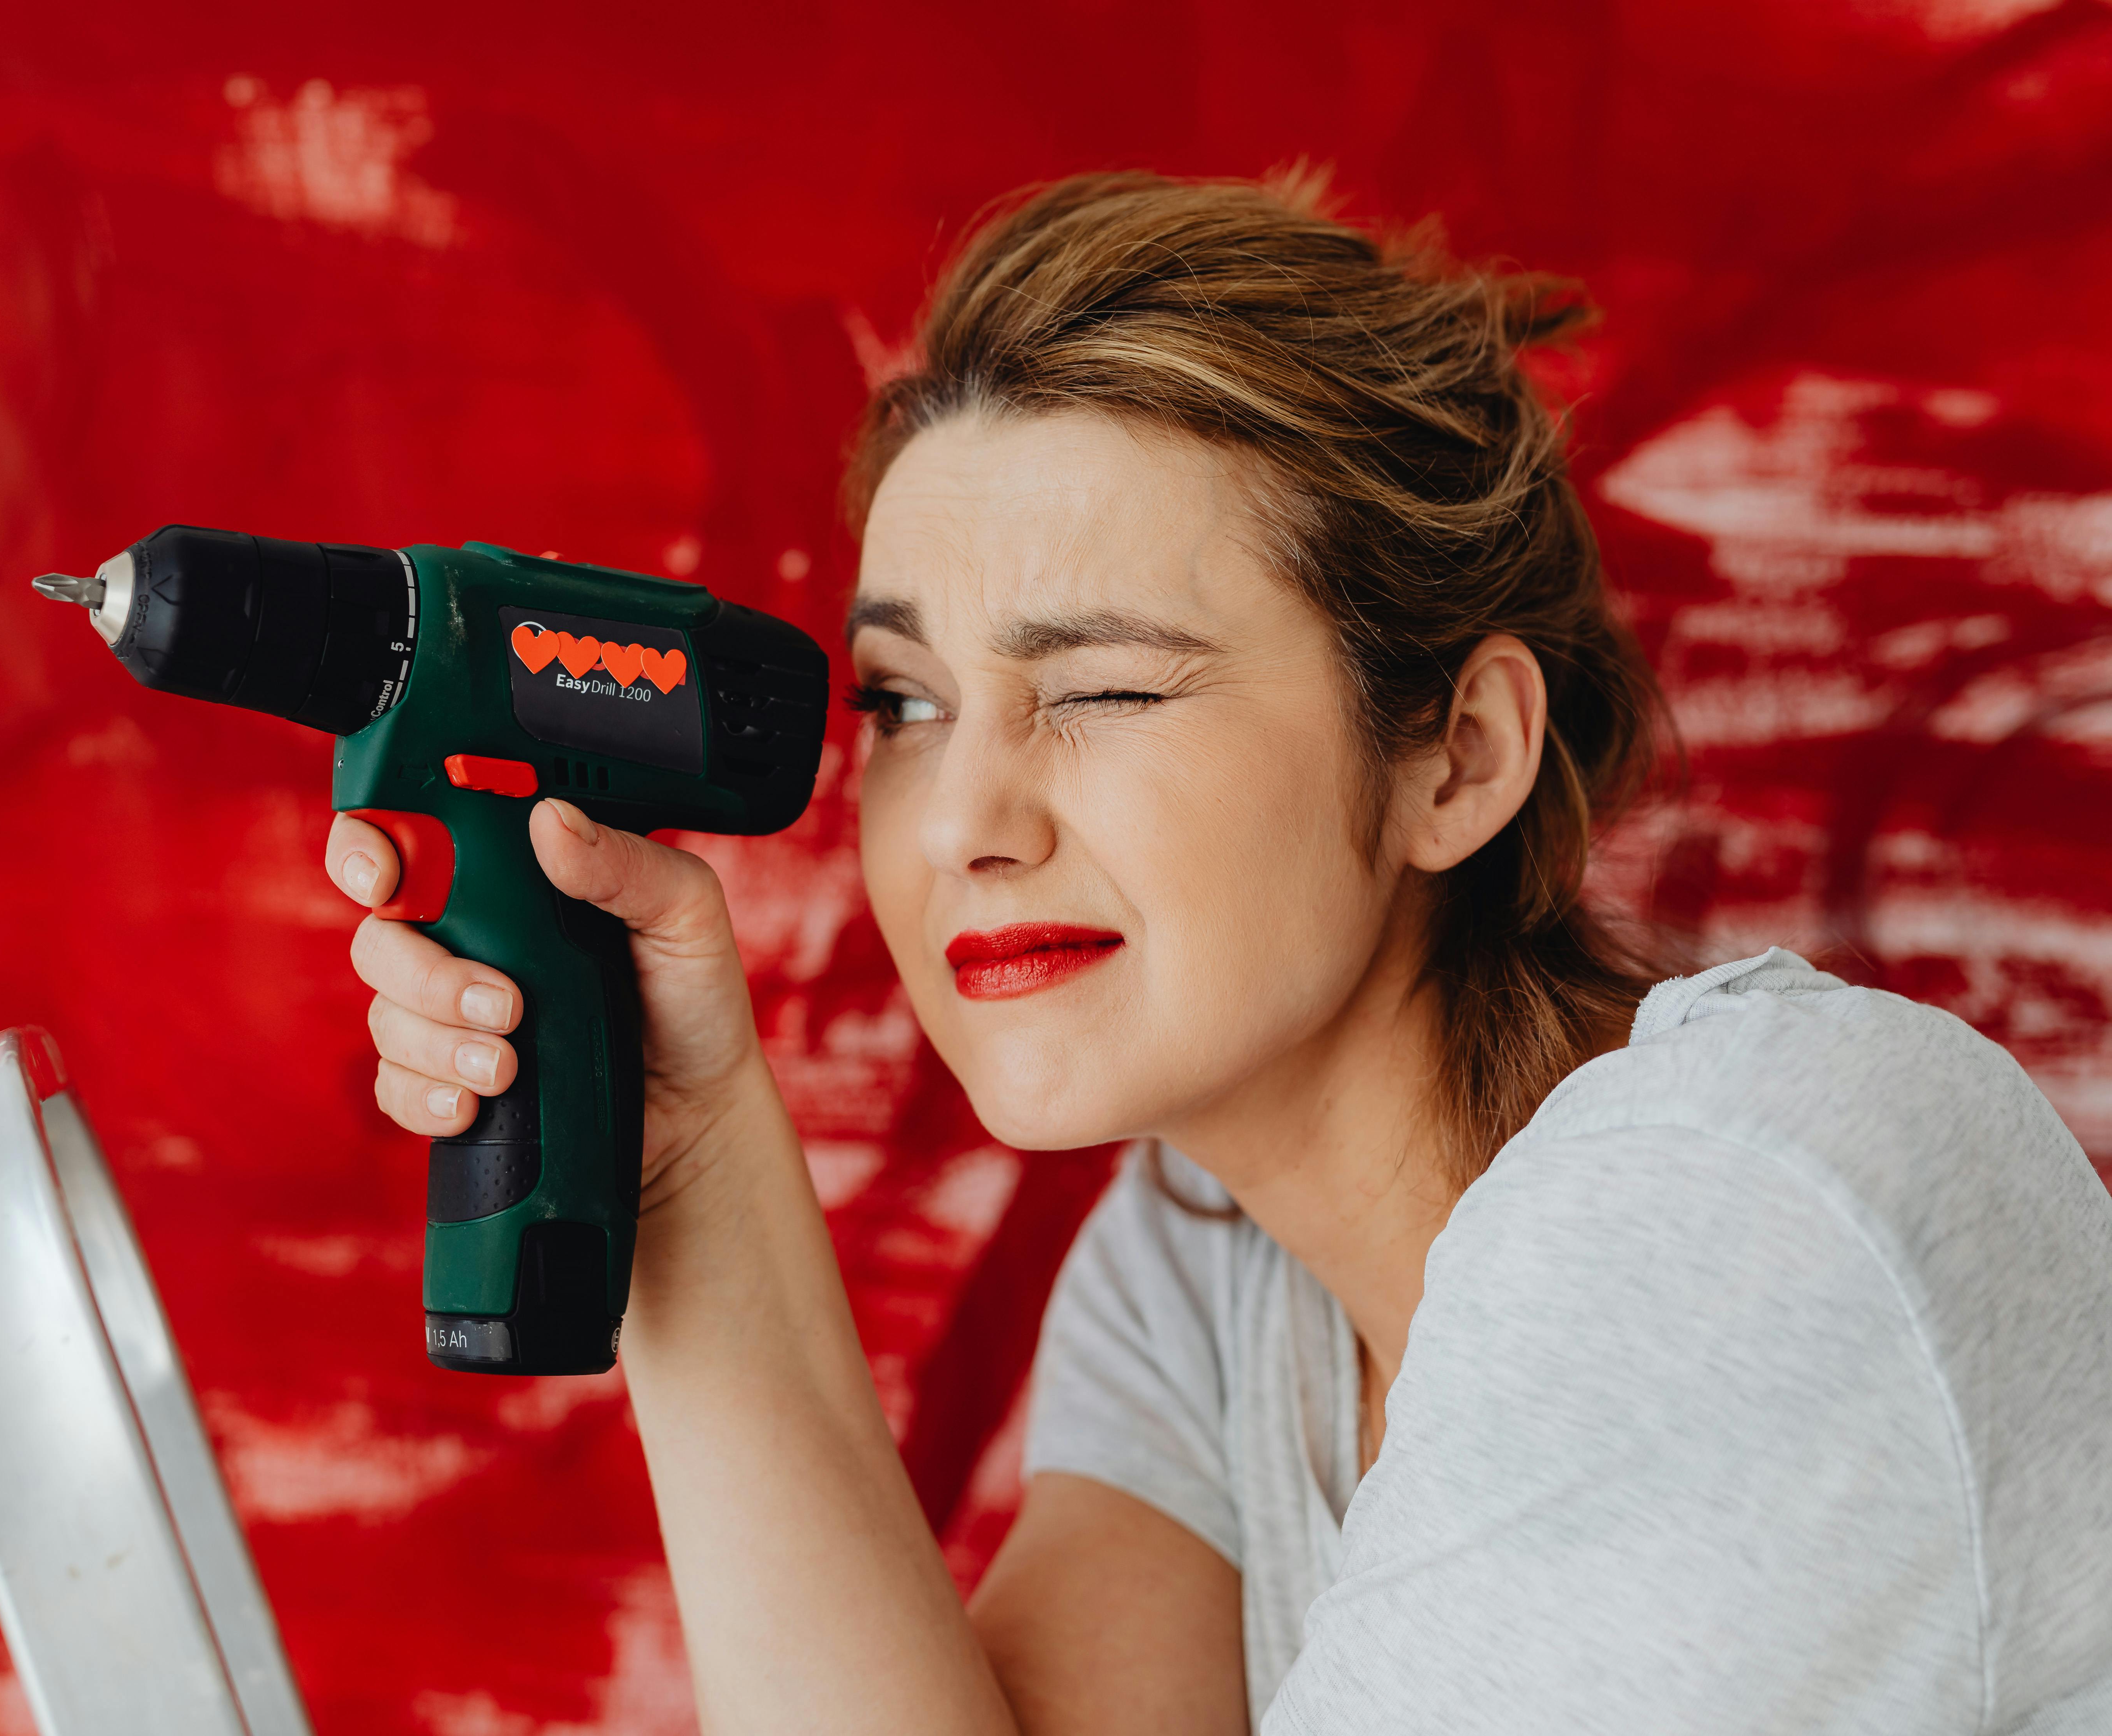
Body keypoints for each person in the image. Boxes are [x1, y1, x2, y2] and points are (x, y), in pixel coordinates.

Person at [322, 172, 2112, 1733]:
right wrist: (689, 1163)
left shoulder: (1740, 1208)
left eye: (1099, 688)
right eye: (903, 701)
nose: (960, 820)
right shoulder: (1213, 1267)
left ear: (1459, 756)